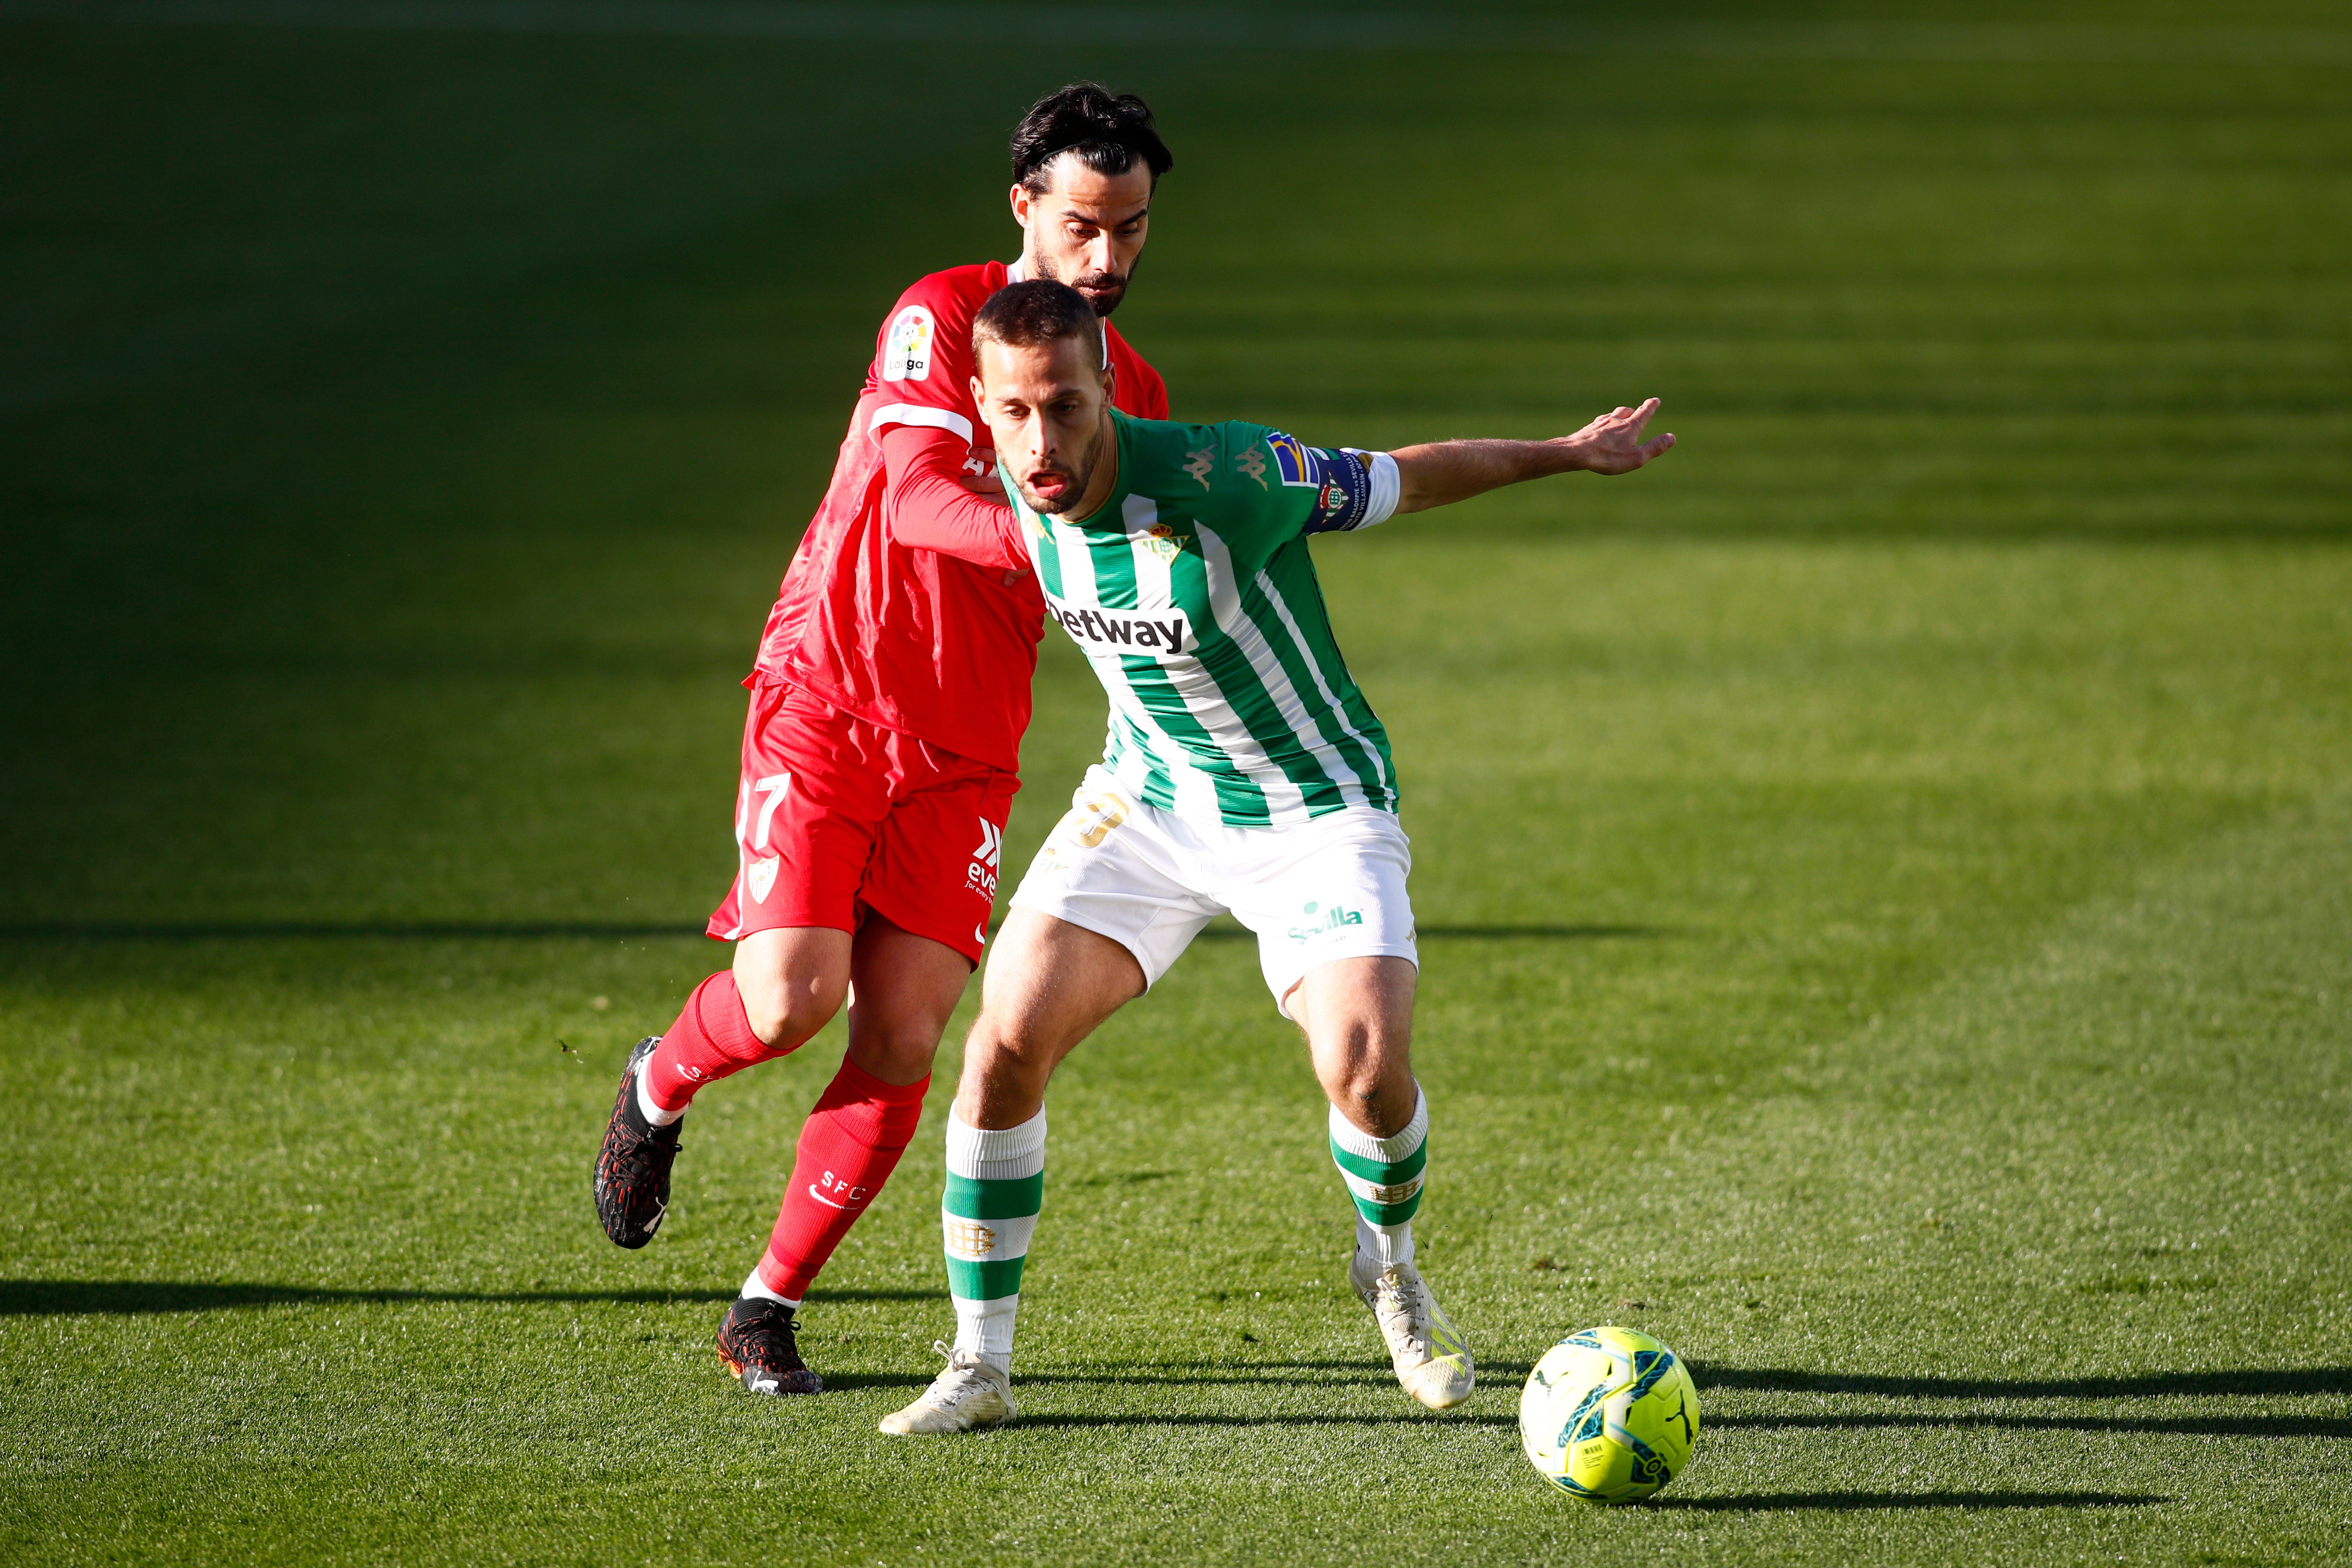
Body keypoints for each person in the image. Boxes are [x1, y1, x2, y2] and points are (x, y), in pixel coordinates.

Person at [874, 279, 1675, 1433]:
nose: (1040, 440)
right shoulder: (1004, 480)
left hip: (1315, 804)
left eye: (1064, 404)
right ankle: (980, 1364)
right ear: (982, 406)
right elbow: (905, 494)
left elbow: (1405, 476)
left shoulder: (1233, 476)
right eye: (1013, 412)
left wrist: (1564, 453)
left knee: (1364, 1065)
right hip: (1147, 802)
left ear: (1108, 387)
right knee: (1003, 1043)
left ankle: (1390, 1266)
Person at [592, 86, 1175, 1398]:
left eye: (1132, 230)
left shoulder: (1123, 392)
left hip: (968, 747)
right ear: (1023, 205)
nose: (1108, 259)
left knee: (905, 1034)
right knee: (789, 999)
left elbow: (1125, 575)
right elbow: (914, 499)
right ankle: (658, 1083)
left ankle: (765, 1306)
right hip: (833, 696)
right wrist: (1049, 538)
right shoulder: (935, 316)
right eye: (1084, 224)